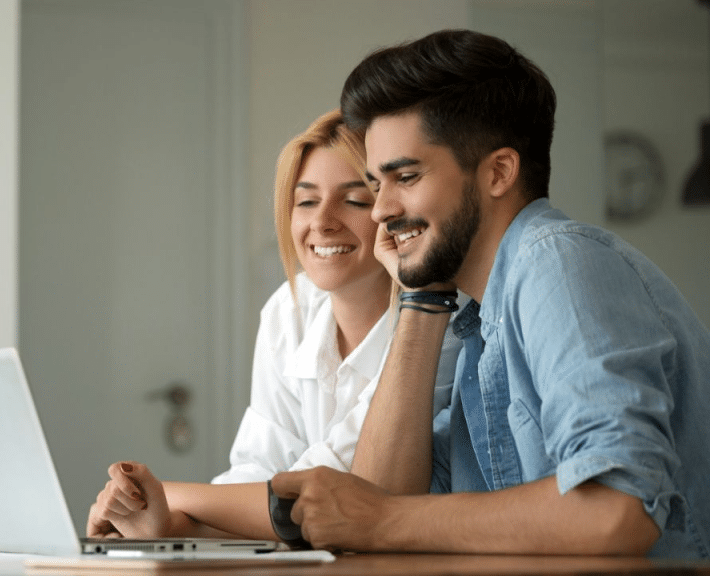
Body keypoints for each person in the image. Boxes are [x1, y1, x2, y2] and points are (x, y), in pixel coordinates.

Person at [271, 29, 710, 558]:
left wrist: (383, 518)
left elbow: (619, 507)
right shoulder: (478, 315)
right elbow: (380, 501)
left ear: (499, 172)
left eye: (404, 176)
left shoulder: (557, 265)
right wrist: (421, 296)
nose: (382, 211)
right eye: (377, 185)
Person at [86, 110, 462, 541]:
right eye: (305, 201)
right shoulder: (290, 309)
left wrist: (171, 498)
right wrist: (163, 524)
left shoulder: (439, 327)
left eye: (354, 200)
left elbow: (334, 492)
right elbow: (259, 471)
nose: (322, 222)